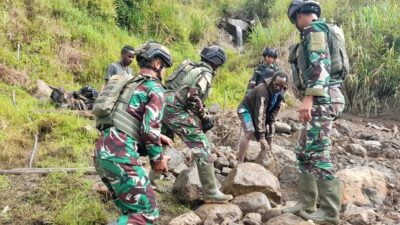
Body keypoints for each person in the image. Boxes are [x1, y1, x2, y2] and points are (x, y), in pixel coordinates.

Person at [93, 41, 173, 225]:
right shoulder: (155, 88)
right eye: (165, 67)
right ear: (157, 64)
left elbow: (125, 118)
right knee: (146, 213)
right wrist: (157, 160)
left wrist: (158, 137)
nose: (165, 72)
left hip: (102, 151)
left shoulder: (130, 83)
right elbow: (149, 128)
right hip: (121, 154)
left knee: (130, 210)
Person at [282, 1, 346, 225]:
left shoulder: (314, 29)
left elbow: (321, 65)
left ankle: (329, 212)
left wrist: (308, 98)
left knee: (318, 153)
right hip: (322, 97)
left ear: (298, 16)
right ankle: (306, 203)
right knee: (302, 151)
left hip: (322, 97)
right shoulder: (318, 30)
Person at [162, 45, 233, 203]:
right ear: (217, 62)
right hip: (174, 108)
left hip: (162, 103)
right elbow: (193, 96)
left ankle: (151, 181)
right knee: (202, 146)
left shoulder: (189, 66)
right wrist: (204, 117)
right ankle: (211, 191)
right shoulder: (205, 72)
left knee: (163, 141)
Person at [237, 72, 287, 166]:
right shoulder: (262, 90)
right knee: (249, 132)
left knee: (270, 130)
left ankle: (268, 157)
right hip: (246, 110)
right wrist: (262, 137)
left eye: (281, 86)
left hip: (261, 112)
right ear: (272, 81)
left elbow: (275, 110)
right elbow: (260, 114)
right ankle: (240, 162)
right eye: (276, 85)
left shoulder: (282, 90)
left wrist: (270, 128)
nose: (278, 88)